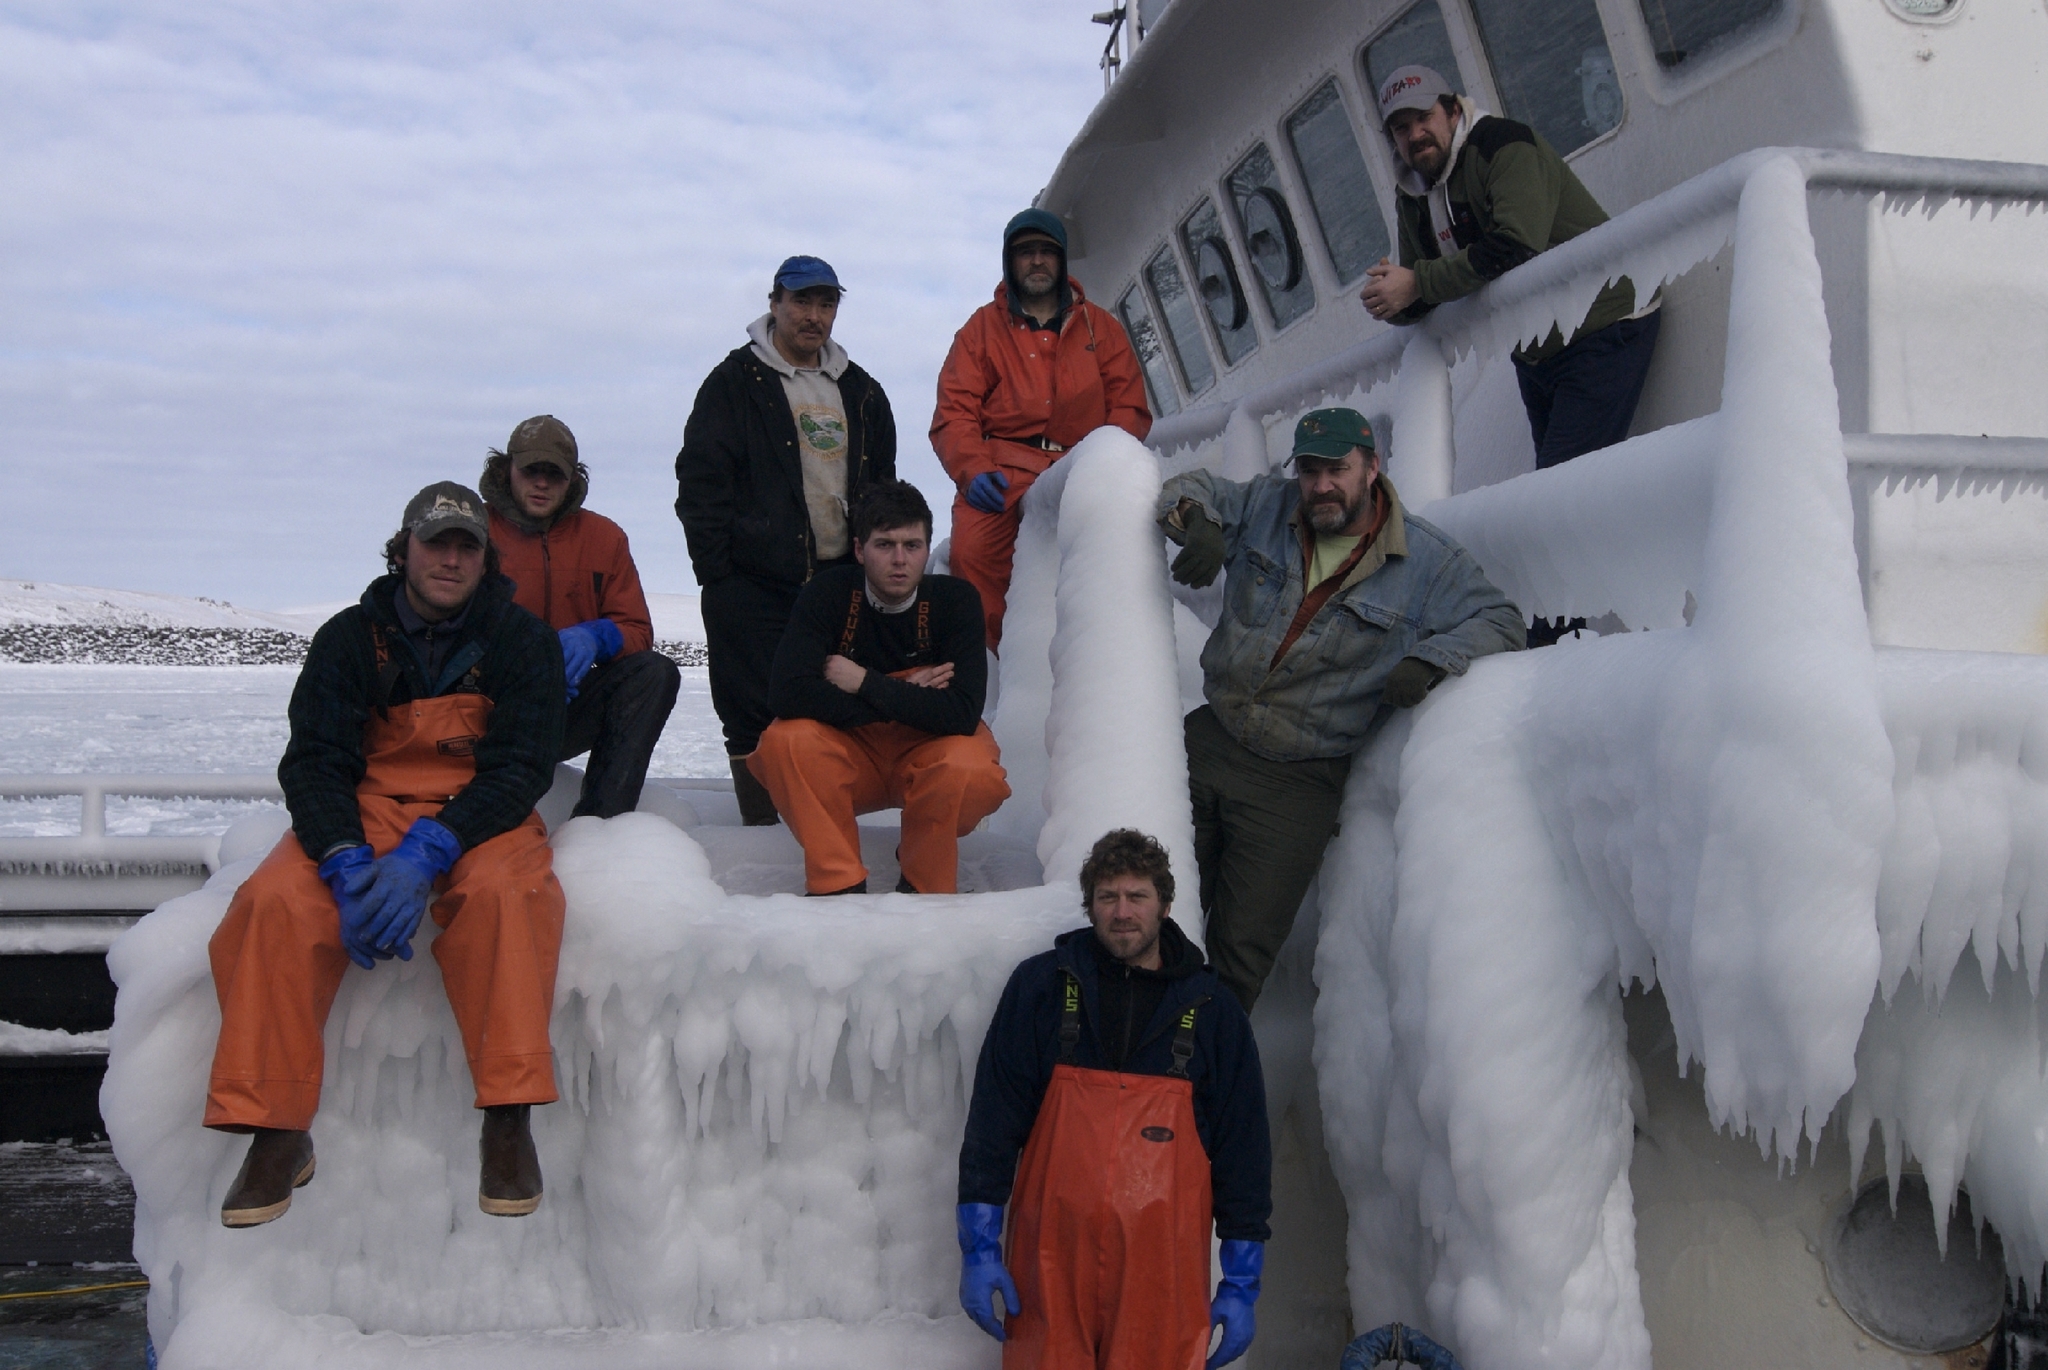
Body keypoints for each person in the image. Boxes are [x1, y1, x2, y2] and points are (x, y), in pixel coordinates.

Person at [205, 482, 567, 1227]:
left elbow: (521, 766)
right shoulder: (347, 637)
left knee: (508, 895)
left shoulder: (519, 639)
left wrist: (428, 851)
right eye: (436, 543)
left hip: (477, 815)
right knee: (274, 903)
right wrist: (342, 858)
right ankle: (276, 1127)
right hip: (363, 810)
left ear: (484, 560)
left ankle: (508, 1114)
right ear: (404, 550)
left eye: (467, 547)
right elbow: (315, 761)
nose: (451, 559)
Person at [1160, 407, 1524, 1011]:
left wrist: (1433, 658)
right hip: (1209, 741)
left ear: (1373, 468)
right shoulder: (1270, 505)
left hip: (1297, 784)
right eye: (1309, 470)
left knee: (1237, 960)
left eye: (1338, 469)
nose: (1321, 485)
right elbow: (1188, 486)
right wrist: (1194, 520)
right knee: (1145, 906)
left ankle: (1191, 1086)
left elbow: (1502, 620)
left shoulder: (1430, 565)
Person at [956, 829, 1270, 1370]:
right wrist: (979, 1248)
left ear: (1165, 905)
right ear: (1091, 906)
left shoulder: (1214, 1012)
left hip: (1162, 1277)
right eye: (1108, 897)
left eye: (1137, 896)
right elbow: (993, 1122)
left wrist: (1241, 1282)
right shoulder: (1041, 989)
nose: (1122, 912)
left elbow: (1244, 1154)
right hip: (1050, 1266)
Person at [676, 255, 898, 825]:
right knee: (748, 708)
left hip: (835, 580)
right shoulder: (733, 383)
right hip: (748, 581)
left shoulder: (864, 391)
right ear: (774, 303)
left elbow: (882, 491)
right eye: (802, 302)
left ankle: (819, 823)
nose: (813, 316)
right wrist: (718, 576)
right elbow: (700, 483)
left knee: (827, 700)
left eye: (826, 304)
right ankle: (760, 834)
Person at [1360, 64, 1660, 475]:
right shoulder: (1410, 191)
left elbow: (1516, 245)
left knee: (1561, 488)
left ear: (1451, 111)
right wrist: (1393, 300)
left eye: (1423, 117)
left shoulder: (1504, 145)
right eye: (1400, 128)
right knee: (1555, 485)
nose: (1414, 135)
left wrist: (1416, 284)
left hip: (1602, 323)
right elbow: (1421, 286)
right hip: (1535, 348)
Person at [747, 481, 1008, 895]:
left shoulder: (955, 600)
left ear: (927, 547)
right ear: (858, 549)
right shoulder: (827, 594)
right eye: (885, 545)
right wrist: (910, 694)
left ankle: (926, 881)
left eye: (913, 544)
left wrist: (864, 682)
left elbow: (961, 712)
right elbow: (787, 693)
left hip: (927, 755)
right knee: (787, 740)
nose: (900, 560)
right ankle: (838, 883)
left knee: (968, 765)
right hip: (853, 755)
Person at [932, 209, 1151, 651]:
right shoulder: (980, 330)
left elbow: (1129, 408)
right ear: (1009, 262)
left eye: (1046, 252)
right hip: (1003, 469)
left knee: (1117, 548)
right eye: (1025, 252)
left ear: (1062, 260)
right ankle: (1002, 662)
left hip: (1080, 465)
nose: (1036, 262)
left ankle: (1100, 654)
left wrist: (1106, 464)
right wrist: (971, 470)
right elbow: (954, 412)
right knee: (971, 554)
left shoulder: (1102, 328)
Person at [484, 414, 679, 819]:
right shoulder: (474, 532)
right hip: (487, 712)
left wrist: (598, 636)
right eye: (531, 470)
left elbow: (637, 631)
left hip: (566, 708)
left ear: (573, 479)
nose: (541, 483)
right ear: (507, 470)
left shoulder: (604, 538)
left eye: (553, 474)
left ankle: (601, 822)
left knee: (655, 672)